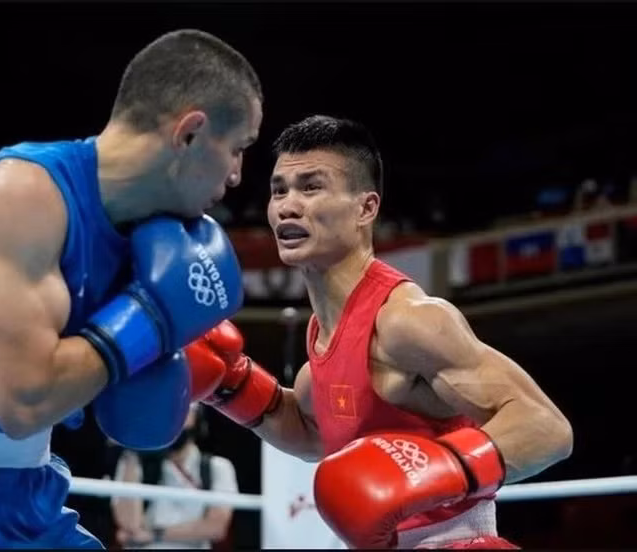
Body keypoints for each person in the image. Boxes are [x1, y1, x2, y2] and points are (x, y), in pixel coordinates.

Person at [0, 29, 262, 549]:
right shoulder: (23, 192)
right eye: (238, 148)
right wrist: (150, 322)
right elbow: (24, 404)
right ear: (190, 133)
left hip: (28, 493)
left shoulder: (150, 242)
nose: (239, 175)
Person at [184, 115, 574, 549]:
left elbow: (548, 428)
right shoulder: (323, 342)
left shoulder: (407, 320)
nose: (287, 206)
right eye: (279, 190)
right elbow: (312, 434)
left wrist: (441, 470)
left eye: (311, 187)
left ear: (366, 208)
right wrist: (232, 384)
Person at [110, 404, 238, 549]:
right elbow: (130, 526)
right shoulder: (132, 462)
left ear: (198, 417)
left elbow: (216, 527)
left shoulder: (217, 467)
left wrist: (153, 534)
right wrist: (133, 449)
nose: (174, 420)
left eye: (182, 411)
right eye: (167, 413)